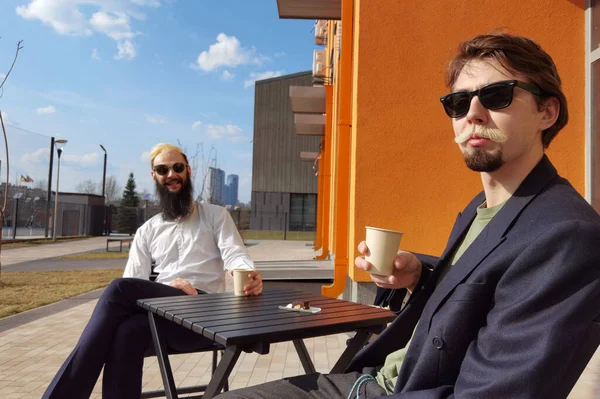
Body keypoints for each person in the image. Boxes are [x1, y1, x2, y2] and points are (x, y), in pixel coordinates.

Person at [215, 33, 600, 399]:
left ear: (547, 112)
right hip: (375, 379)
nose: (473, 114)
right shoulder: (482, 209)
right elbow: (493, 284)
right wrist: (419, 275)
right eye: (458, 102)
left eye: (497, 96)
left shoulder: (567, 235)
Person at [43, 143, 263, 399]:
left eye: (177, 167)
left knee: (117, 288)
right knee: (127, 332)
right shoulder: (147, 230)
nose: (171, 175)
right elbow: (134, 285)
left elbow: (234, 252)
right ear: (154, 176)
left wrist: (246, 275)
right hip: (161, 316)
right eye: (162, 169)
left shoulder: (216, 215)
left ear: (188, 171)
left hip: (205, 313)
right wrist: (168, 291)